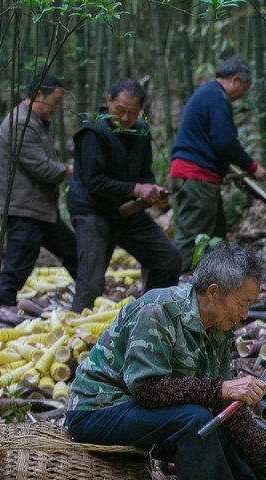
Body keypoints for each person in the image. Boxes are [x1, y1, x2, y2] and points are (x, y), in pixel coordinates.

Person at [66, 242, 266, 480]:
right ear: (214, 293)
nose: (245, 314)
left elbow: (229, 409)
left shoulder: (219, 328)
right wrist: (221, 389)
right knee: (196, 421)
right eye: (243, 303)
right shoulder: (158, 310)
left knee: (218, 421)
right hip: (97, 411)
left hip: (141, 409)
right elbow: (148, 390)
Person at [68, 78, 182, 312]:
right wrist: (136, 189)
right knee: (91, 281)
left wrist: (152, 191)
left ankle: (150, 318)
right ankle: (76, 336)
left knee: (168, 259)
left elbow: (145, 173)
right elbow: (94, 181)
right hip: (93, 211)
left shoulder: (140, 131)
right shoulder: (93, 132)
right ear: (109, 101)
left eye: (133, 112)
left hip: (129, 211)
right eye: (120, 110)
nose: (126, 118)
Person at [169, 57, 266, 272]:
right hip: (195, 177)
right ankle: (175, 290)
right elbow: (224, 142)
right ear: (235, 80)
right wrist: (252, 167)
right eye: (245, 88)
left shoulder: (208, 94)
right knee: (192, 241)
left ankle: (213, 288)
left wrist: (230, 173)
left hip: (196, 175)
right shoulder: (217, 97)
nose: (243, 94)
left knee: (216, 238)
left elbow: (209, 144)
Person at [0, 74, 78, 307]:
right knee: (17, 266)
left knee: (73, 251)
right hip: (26, 210)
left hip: (39, 208)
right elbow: (41, 166)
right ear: (39, 94)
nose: (57, 107)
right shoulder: (20, 123)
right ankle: (1, 311)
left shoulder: (33, 122)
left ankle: (90, 295)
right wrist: (72, 170)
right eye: (56, 99)